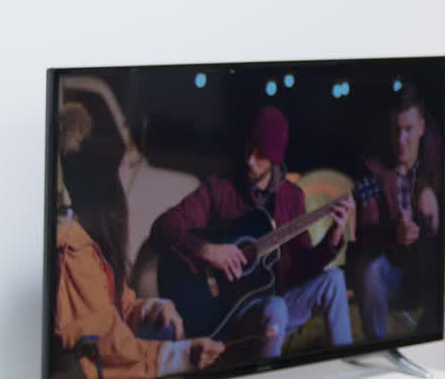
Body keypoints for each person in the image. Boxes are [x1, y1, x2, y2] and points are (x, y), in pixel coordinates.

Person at [151, 105, 354, 360]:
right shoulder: (220, 188)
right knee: (275, 307)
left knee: (333, 279)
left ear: (275, 159)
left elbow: (302, 268)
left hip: (276, 302)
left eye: (260, 156)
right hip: (229, 313)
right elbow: (163, 228)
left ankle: (347, 364)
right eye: (249, 149)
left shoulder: (292, 197)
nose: (249, 160)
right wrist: (206, 250)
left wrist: (334, 235)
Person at [53, 102, 225, 379]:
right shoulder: (72, 251)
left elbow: (113, 303)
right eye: (116, 174)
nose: (122, 186)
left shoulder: (86, 239)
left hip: (105, 363)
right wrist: (182, 355)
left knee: (165, 329)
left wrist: (150, 308)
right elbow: (104, 344)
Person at [349, 85, 444, 341]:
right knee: (368, 268)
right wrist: (394, 234)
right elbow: (362, 239)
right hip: (393, 277)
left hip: (429, 273)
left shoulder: (438, 165)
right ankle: (377, 349)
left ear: (422, 127)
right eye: (396, 131)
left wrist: (430, 217)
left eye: (409, 130)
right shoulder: (374, 172)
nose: (402, 141)